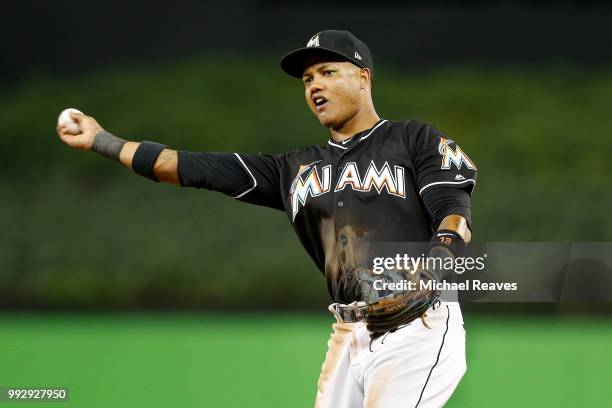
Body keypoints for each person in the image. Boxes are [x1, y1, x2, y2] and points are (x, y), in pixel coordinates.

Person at [57, 30, 477, 408]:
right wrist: (102, 141)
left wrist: (432, 271)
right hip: (349, 333)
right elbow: (179, 165)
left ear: (364, 77)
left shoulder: (412, 139)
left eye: (328, 71)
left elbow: (454, 214)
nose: (315, 85)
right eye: (308, 79)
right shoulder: (291, 169)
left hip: (417, 324)